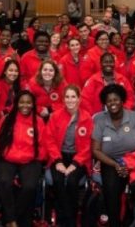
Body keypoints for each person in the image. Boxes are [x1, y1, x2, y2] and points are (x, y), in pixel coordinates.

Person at [91, 84, 135, 227]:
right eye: (109, 101)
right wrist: (116, 164)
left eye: (116, 99)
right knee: (110, 189)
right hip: (111, 162)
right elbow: (95, 150)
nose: (113, 103)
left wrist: (132, 162)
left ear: (122, 100)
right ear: (105, 104)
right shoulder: (100, 121)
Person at [0, 90, 46, 227]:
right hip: (8, 157)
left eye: (28, 102)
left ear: (33, 104)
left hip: (30, 159)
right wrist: (6, 153)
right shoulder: (7, 119)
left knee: (30, 187)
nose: (25, 105)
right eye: (22, 102)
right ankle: (13, 221)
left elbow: (43, 145)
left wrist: (35, 157)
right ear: (17, 104)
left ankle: (11, 219)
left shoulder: (39, 122)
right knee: (5, 182)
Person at [45, 85, 93, 227]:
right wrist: (58, 161)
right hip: (58, 156)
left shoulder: (87, 118)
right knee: (58, 181)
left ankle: (68, 218)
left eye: (73, 97)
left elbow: (88, 146)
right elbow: (49, 140)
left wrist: (75, 164)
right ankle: (66, 219)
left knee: (72, 181)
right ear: (63, 99)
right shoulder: (55, 116)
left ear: (79, 99)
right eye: (67, 97)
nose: (70, 100)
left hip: (79, 158)